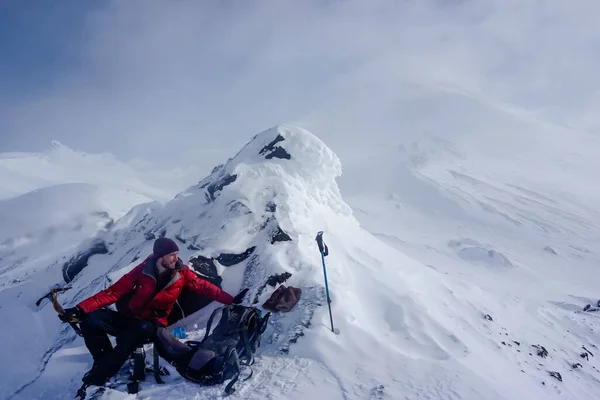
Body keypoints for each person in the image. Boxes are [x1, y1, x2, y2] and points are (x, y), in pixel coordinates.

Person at [59, 237, 247, 387]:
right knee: (90, 318)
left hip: (153, 325)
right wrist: (80, 309)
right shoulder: (141, 271)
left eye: (177, 254)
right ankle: (103, 360)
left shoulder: (182, 273)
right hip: (129, 320)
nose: (176, 258)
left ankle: (101, 374)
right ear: (160, 256)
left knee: (138, 330)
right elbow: (113, 292)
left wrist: (231, 299)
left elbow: (203, 287)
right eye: (172, 254)